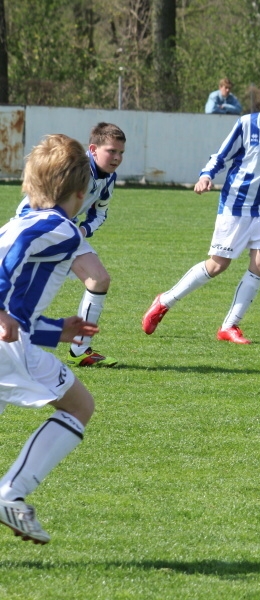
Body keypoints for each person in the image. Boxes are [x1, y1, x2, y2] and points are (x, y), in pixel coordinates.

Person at [142, 72, 260, 345]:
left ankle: (230, 326)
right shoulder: (247, 124)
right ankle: (164, 301)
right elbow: (221, 155)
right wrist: (206, 175)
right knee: (217, 266)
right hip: (235, 205)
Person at [0, 134, 100, 544]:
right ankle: (10, 494)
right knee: (79, 406)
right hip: (8, 348)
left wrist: (58, 330)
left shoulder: (21, 218)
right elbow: (8, 270)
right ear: (80, 193)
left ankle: (11, 494)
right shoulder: (61, 229)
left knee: (79, 404)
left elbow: (18, 307)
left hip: (16, 342)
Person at [14, 122, 126, 368]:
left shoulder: (108, 178)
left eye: (121, 153)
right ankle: (16, 336)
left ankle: (80, 349)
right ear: (93, 149)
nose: (117, 158)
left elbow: (100, 214)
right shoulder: (73, 168)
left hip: (69, 232)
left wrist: (82, 230)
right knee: (19, 289)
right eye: (112, 151)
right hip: (38, 228)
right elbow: (35, 199)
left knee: (99, 279)